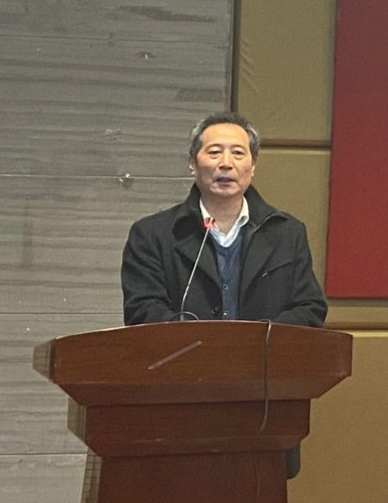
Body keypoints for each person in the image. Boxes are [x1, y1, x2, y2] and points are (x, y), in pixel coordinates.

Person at [121, 111, 327, 476]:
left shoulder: (286, 233)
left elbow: (309, 309)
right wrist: (208, 349)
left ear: (253, 166)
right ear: (192, 163)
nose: (226, 163)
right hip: (182, 405)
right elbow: (142, 312)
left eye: (238, 153)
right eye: (214, 152)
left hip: (262, 407)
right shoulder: (153, 234)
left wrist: (250, 347)